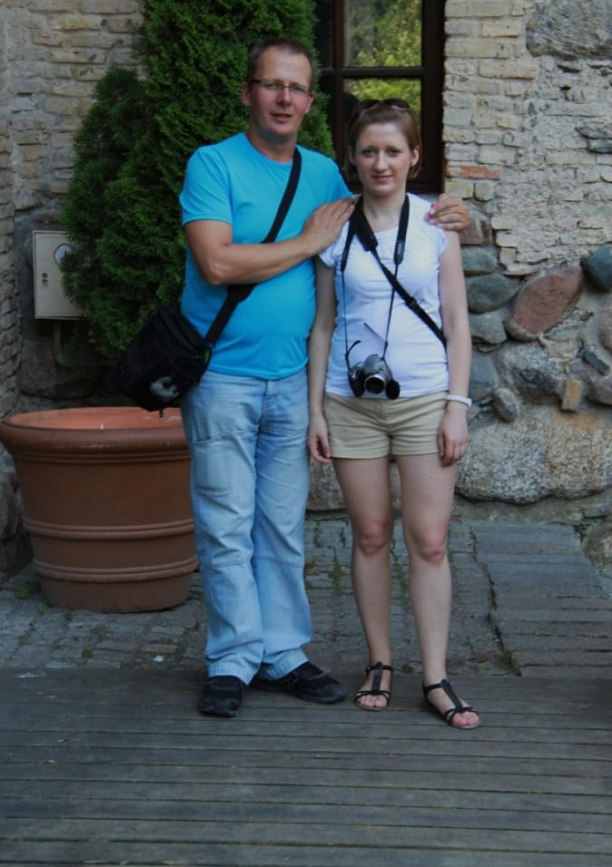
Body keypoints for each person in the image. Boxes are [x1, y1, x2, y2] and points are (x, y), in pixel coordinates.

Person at [179, 38, 470, 718]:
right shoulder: (213, 164)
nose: (284, 98)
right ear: (249, 92)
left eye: (297, 88)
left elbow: (390, 211)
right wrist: (309, 242)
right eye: (271, 85)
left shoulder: (322, 177)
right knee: (226, 523)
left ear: (310, 101)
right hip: (224, 373)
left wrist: (457, 213)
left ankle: (281, 651)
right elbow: (216, 264)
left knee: (283, 524)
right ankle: (232, 657)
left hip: (293, 379)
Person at [308, 98, 480, 729]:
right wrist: (316, 412)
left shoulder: (437, 226)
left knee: (429, 541)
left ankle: (435, 676)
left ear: (414, 157)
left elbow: (458, 324)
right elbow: (323, 326)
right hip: (350, 405)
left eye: (392, 151)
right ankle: (379, 661)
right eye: (368, 151)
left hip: (426, 402)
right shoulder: (335, 228)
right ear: (352, 159)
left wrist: (456, 407)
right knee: (371, 535)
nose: (381, 163)